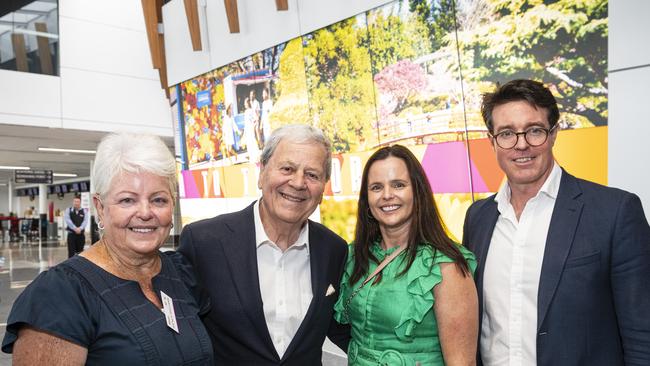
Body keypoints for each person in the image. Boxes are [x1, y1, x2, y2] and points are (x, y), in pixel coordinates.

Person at [463, 79, 650, 365]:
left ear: (554, 134)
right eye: (506, 134)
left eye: (534, 130)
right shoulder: (478, 217)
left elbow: (641, 337)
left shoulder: (615, 212)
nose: (521, 144)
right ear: (492, 141)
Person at [2, 133, 213, 365]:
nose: (145, 212)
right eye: (127, 200)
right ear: (100, 208)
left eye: (159, 200)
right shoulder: (60, 295)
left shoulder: (182, 274)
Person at [178, 124, 350, 365]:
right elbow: (178, 335)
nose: (298, 183)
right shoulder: (204, 242)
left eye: (312, 175)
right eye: (287, 168)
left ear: (323, 188)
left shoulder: (334, 250)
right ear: (262, 173)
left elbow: (341, 328)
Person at [334, 145, 478, 365]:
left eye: (398, 185)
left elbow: (461, 362)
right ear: (366, 199)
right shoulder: (355, 257)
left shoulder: (446, 266)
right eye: (376, 187)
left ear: (417, 192)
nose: (387, 195)